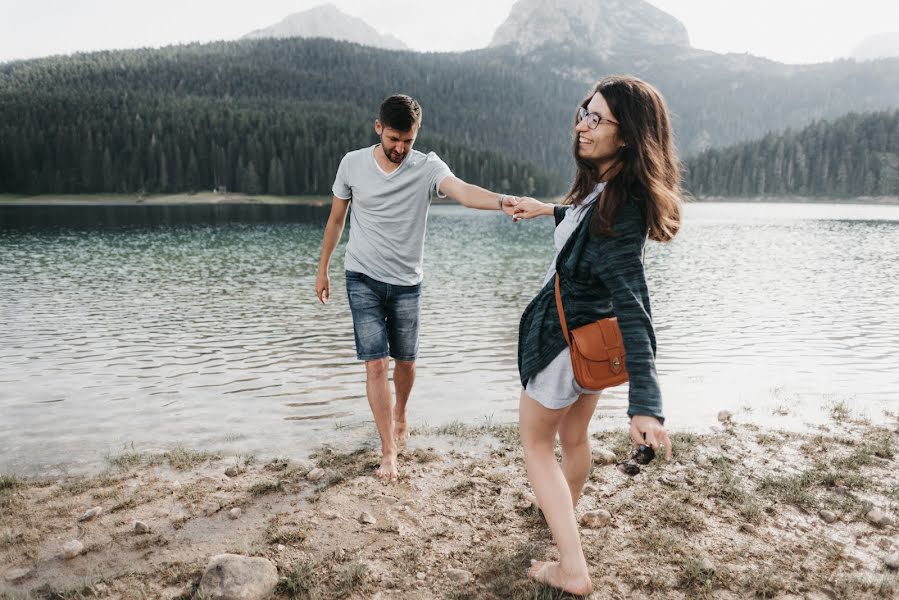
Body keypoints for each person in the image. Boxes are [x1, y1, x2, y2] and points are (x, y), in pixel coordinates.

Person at [510, 75, 682, 595]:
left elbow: (634, 304)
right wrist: (549, 209)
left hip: (565, 343)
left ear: (626, 135)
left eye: (596, 118)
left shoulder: (620, 208)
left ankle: (572, 569)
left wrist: (646, 403)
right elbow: (587, 226)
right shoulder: (609, 190)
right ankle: (564, 516)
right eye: (584, 110)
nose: (582, 123)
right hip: (590, 344)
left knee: (536, 445)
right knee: (574, 437)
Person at [315, 94, 520, 481]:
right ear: (378, 128)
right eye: (394, 139)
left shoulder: (427, 166)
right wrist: (322, 268)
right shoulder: (351, 164)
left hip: (408, 282)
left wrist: (502, 201)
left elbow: (462, 191)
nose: (400, 148)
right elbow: (336, 220)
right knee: (375, 363)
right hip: (361, 277)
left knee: (406, 363)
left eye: (407, 141)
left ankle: (402, 414)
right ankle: (388, 450)